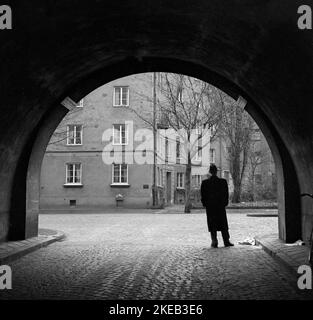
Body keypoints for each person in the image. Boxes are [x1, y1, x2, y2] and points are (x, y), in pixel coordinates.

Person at [200, 164, 234, 248]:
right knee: (223, 224)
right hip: (220, 206)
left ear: (210, 172)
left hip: (210, 207)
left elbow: (203, 195)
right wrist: (225, 203)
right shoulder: (222, 182)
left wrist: (205, 204)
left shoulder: (205, 183)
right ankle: (226, 241)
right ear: (216, 172)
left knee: (212, 224)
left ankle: (214, 241)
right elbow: (226, 194)